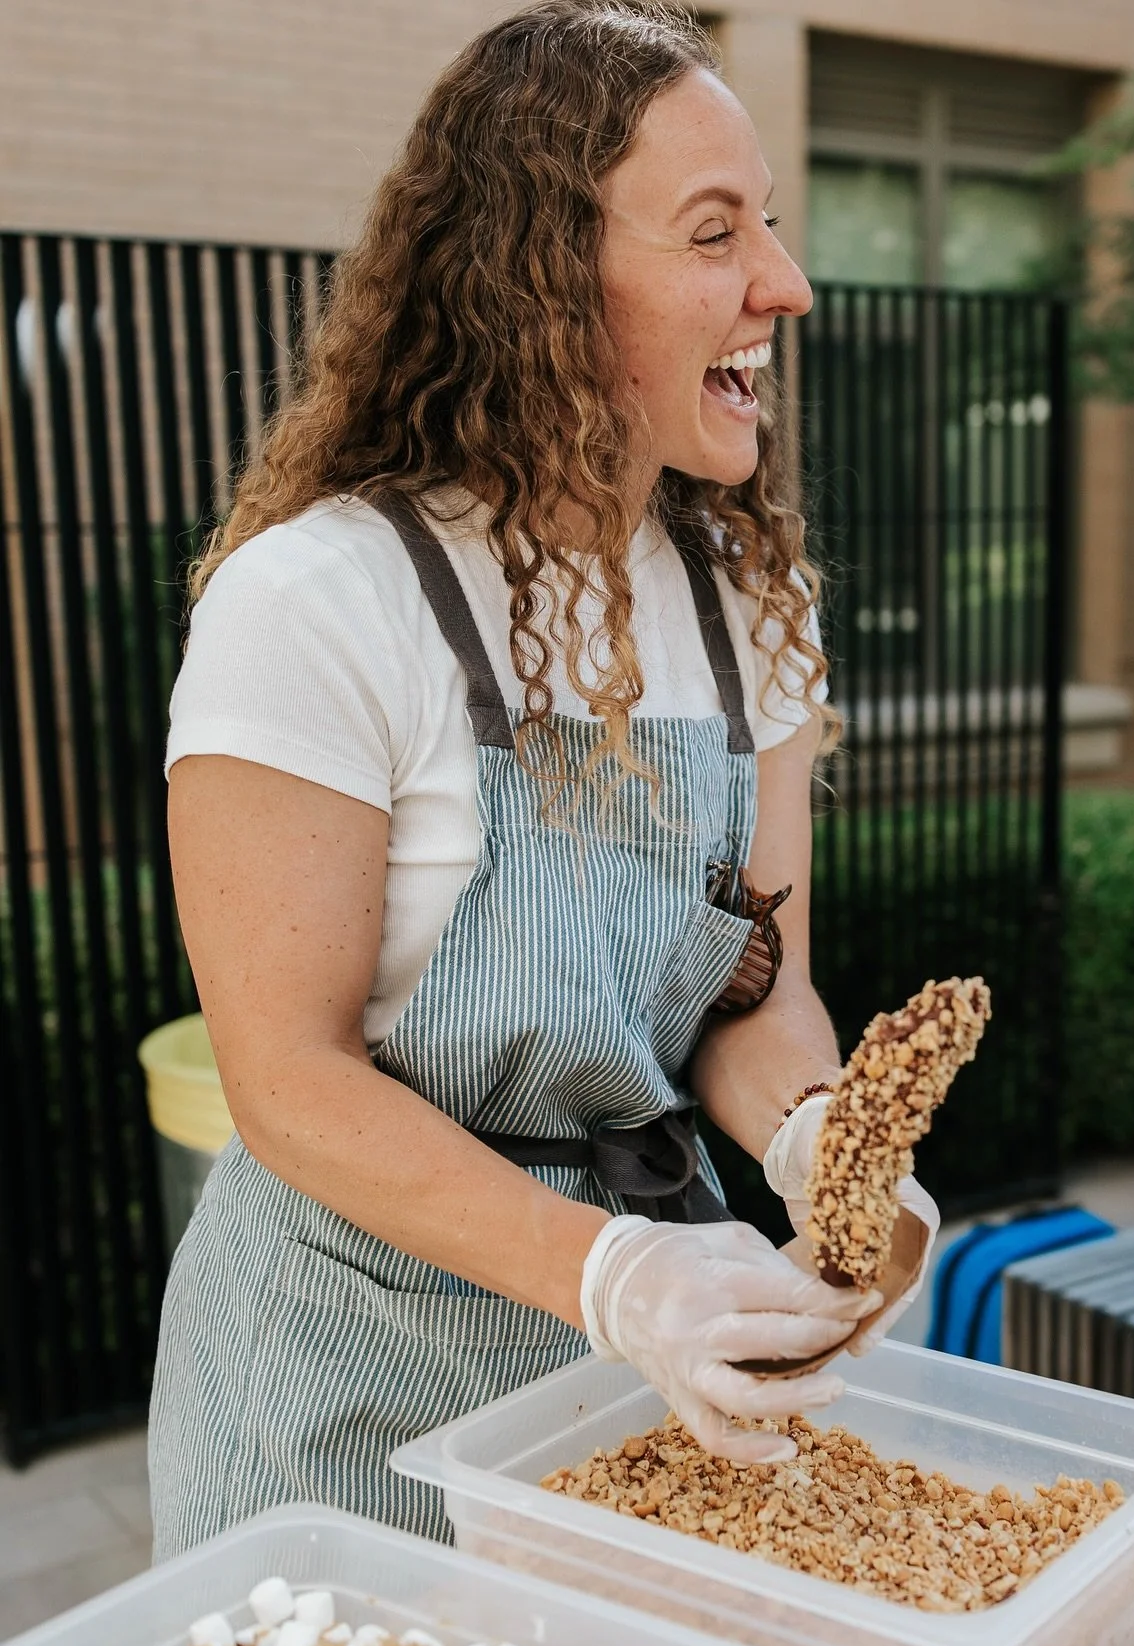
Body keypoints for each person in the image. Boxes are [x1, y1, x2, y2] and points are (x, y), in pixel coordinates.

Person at [148, 0, 937, 1558]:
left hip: (622, 1411)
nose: (783, 283)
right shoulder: (322, 602)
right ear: (544, 283)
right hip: (341, 1397)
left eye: (767, 224)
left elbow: (749, 989)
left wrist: (826, 1151)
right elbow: (286, 1080)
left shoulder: (747, 612)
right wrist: (618, 1274)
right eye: (716, 234)